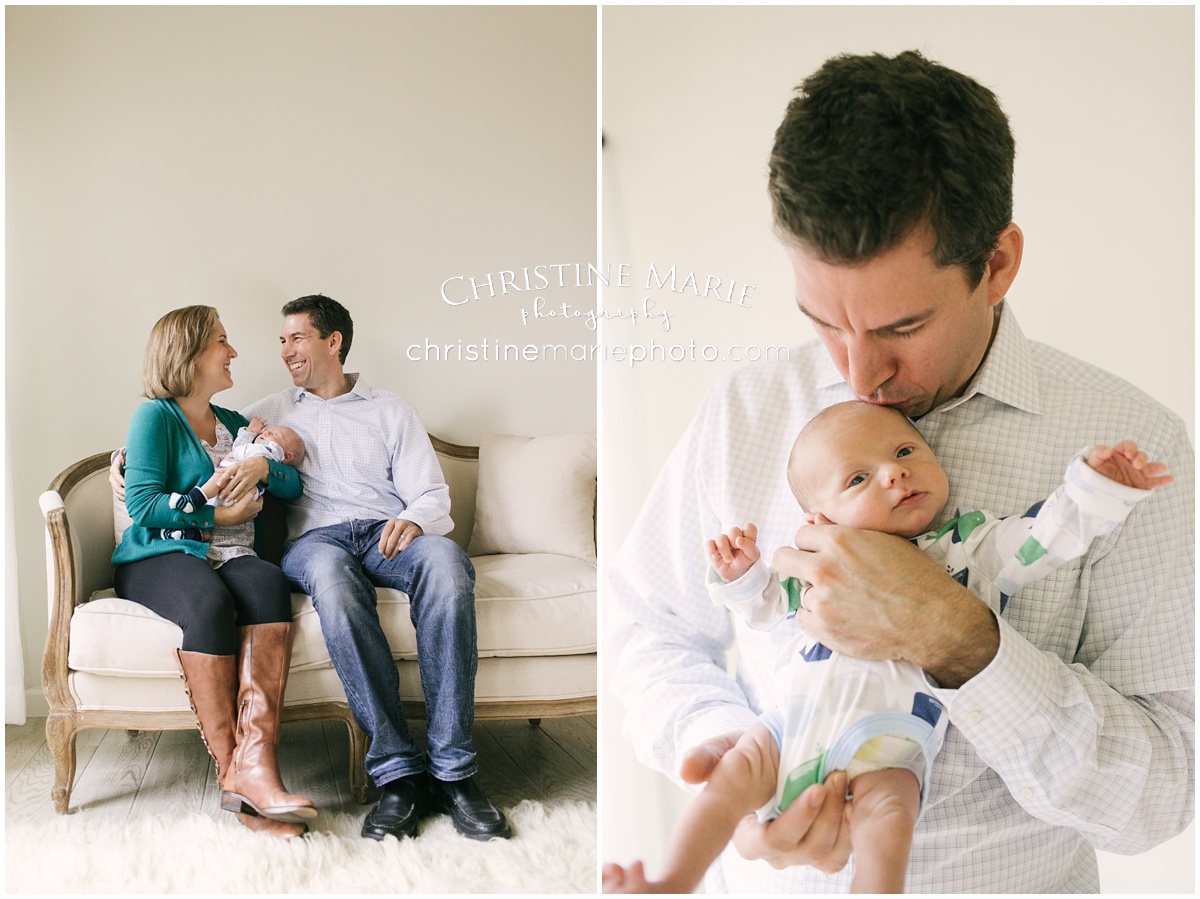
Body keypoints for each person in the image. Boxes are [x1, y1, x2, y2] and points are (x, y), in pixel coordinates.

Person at [607, 50, 1194, 892]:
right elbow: (648, 624)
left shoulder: (1129, 445)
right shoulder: (745, 410)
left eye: (901, 326)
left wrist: (959, 639)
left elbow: (1162, 792)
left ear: (997, 264)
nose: (856, 375)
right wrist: (735, 759)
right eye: (823, 322)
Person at [604, 401, 1173, 893]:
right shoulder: (821, 562)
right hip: (789, 725)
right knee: (730, 780)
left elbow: (1044, 539)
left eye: (904, 452)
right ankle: (671, 880)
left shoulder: (968, 549)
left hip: (893, 738)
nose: (894, 476)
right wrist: (744, 575)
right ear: (821, 518)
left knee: (889, 817)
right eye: (859, 479)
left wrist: (1094, 488)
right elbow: (767, 609)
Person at [114, 294, 511, 843]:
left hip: (385, 532)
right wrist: (125, 464)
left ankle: (454, 772)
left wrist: (415, 520)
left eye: (295, 338)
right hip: (316, 543)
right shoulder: (268, 410)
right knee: (330, 581)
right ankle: (396, 773)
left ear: (333, 342)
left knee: (446, 563)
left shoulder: (389, 409)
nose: (282, 351)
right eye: (281, 340)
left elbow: (426, 492)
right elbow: (176, 444)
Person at [112, 305, 316, 841]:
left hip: (234, 555)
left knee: (269, 583)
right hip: (160, 556)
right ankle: (236, 775)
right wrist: (216, 514)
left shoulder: (233, 424)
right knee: (208, 604)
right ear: (190, 354)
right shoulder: (155, 416)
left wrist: (262, 465)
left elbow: (293, 486)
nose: (233, 352)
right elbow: (142, 504)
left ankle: (259, 766)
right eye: (222, 341)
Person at [160, 417, 305, 542]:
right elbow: (240, 445)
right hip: (239, 494)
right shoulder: (259, 446)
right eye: (268, 430)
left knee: (218, 478)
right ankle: (193, 534)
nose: (266, 432)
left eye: (276, 435)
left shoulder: (271, 451)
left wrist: (234, 455)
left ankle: (194, 499)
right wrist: (249, 432)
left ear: (287, 456)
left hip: (234, 483)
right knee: (212, 516)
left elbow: (245, 450)